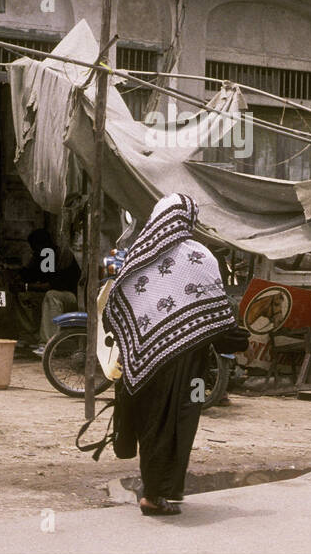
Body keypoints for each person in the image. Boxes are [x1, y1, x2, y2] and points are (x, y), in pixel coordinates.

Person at [104, 193, 243, 516]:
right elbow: (217, 316)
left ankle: (158, 490)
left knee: (151, 424)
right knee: (175, 424)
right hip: (185, 363)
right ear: (188, 220)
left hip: (142, 358)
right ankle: (156, 494)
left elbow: (117, 304)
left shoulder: (137, 256)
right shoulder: (200, 257)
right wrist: (236, 338)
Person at [21, 228, 81, 352]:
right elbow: (31, 275)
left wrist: (28, 286)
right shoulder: (42, 256)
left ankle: (48, 344)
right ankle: (32, 336)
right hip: (58, 293)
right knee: (22, 296)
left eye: (35, 246)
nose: (34, 250)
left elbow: (52, 285)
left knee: (51, 295)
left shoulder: (60, 255)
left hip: (74, 297)